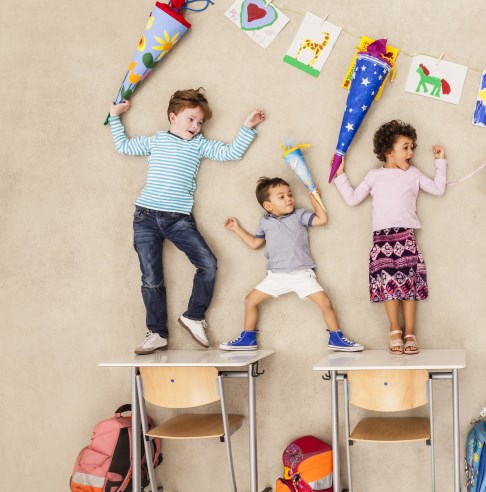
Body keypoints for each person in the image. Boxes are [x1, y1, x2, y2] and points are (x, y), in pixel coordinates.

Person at [109, 88, 265, 354]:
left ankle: (194, 315)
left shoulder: (200, 145)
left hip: (178, 219)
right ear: (173, 117)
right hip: (145, 216)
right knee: (151, 278)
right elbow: (123, 146)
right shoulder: (156, 140)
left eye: (200, 122)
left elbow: (231, 153)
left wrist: (247, 128)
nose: (196, 126)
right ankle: (156, 333)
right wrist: (115, 117)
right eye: (191, 119)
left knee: (208, 264)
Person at [332, 120, 446, 354]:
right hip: (381, 240)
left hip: (406, 238)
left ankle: (410, 332)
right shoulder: (374, 176)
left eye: (412, 147)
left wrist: (440, 162)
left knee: (409, 288)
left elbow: (438, 188)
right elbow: (353, 199)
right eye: (405, 147)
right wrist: (339, 175)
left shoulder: (413, 174)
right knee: (388, 286)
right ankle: (394, 329)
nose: (411, 152)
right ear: (388, 152)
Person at [219, 177, 363, 352]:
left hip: (301, 274)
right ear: (268, 206)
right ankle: (248, 339)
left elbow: (322, 219)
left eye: (290, 194)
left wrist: (315, 199)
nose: (289, 199)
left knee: (325, 303)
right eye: (281, 197)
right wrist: (237, 229)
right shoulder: (265, 222)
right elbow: (255, 244)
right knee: (250, 301)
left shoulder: (299, 215)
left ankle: (336, 338)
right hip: (276, 276)